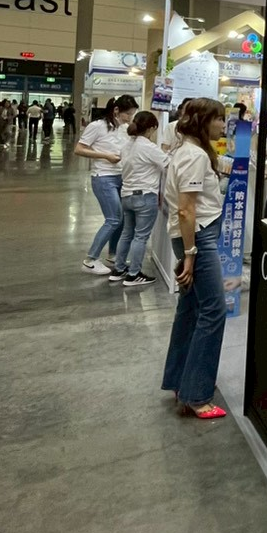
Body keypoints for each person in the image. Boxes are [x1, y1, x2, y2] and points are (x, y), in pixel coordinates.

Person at [162, 97, 228, 420]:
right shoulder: (194, 156)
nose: (223, 125)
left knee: (190, 309)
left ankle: (181, 381)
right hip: (198, 239)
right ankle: (197, 395)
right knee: (214, 310)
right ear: (203, 121)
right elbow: (186, 210)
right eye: (218, 119)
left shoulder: (189, 152)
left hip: (195, 237)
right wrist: (190, 255)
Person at [74, 97, 134, 274]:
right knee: (113, 219)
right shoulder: (97, 126)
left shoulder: (124, 129)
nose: (130, 117)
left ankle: (113, 254)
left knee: (121, 219)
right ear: (116, 111)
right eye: (128, 114)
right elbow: (79, 149)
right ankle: (90, 260)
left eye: (132, 114)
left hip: (121, 177)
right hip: (103, 177)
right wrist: (105, 156)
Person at [110, 109, 167, 287]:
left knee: (127, 234)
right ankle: (134, 274)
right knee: (140, 237)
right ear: (150, 128)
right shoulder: (148, 147)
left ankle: (119, 269)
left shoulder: (127, 145)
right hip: (144, 196)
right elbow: (169, 165)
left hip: (127, 195)